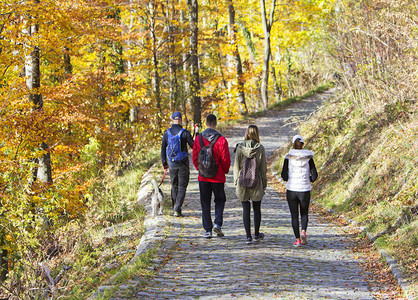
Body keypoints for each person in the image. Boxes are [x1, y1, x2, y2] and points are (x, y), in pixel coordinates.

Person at [192, 114, 231, 238]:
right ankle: (217, 224)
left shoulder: (198, 139)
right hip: (218, 177)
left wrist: (200, 169)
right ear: (215, 123)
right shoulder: (221, 140)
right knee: (220, 200)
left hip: (203, 176)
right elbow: (225, 159)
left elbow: (194, 157)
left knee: (205, 202)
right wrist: (224, 170)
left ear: (206, 122)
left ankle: (207, 230)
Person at [281, 134, 318, 247]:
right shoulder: (308, 157)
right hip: (304, 189)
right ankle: (303, 231)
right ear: (302, 144)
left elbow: (284, 175)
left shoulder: (289, 157)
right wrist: (310, 179)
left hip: (292, 189)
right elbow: (314, 175)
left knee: (294, 215)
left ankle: (297, 239)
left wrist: (288, 178)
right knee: (304, 212)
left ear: (293, 144)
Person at [233, 125, 267, 244]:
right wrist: (264, 183)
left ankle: (248, 236)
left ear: (246, 133)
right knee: (257, 208)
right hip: (256, 181)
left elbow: (236, 166)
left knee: (245, 208)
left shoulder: (240, 147)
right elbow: (263, 168)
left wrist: (236, 181)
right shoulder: (260, 148)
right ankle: (256, 234)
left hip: (243, 182)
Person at [161, 111, 194, 217]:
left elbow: (163, 148)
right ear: (181, 119)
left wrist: (164, 162)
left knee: (174, 185)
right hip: (183, 163)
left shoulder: (167, 133)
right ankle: (177, 208)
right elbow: (194, 146)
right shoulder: (185, 133)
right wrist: (196, 134)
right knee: (182, 187)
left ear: (172, 120)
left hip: (171, 164)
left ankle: (176, 209)